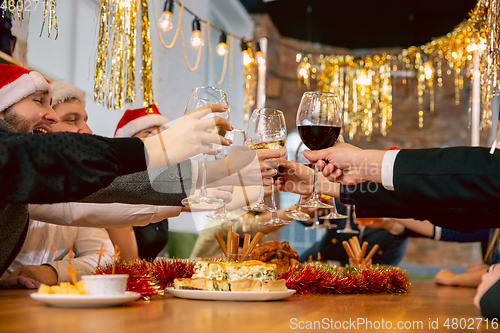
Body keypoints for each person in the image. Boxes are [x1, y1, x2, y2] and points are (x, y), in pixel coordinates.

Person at [0, 64, 278, 286]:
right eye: (39, 101)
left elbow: (112, 193)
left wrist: (224, 174)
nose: (50, 116)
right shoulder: (17, 162)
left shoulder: (32, 183)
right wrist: (154, 150)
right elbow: (109, 196)